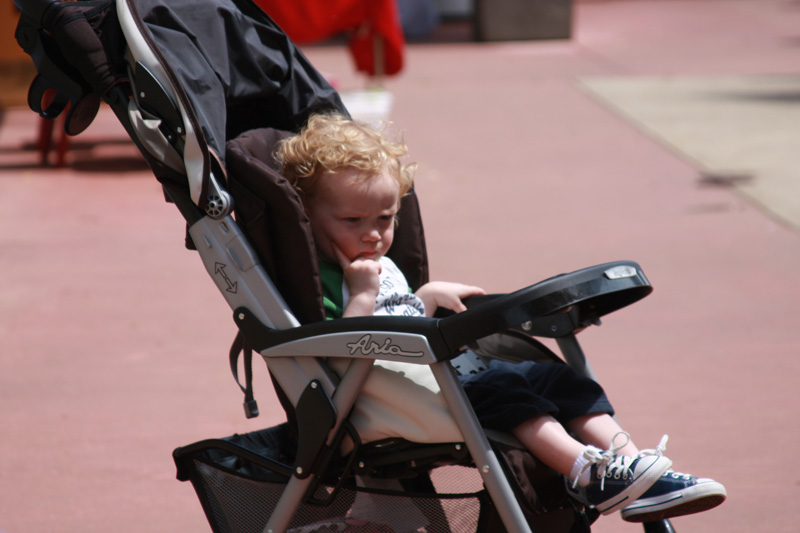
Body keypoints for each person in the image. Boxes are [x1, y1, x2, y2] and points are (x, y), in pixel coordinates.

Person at [276, 112, 726, 523]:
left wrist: (425, 297)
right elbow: (344, 348)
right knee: (510, 393)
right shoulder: (330, 279)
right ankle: (586, 474)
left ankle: (630, 463)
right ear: (308, 215)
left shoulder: (376, 261)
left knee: (558, 379)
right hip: (402, 397)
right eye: (353, 220)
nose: (373, 234)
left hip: (447, 375)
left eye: (385, 217)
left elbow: (398, 314)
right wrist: (360, 294)